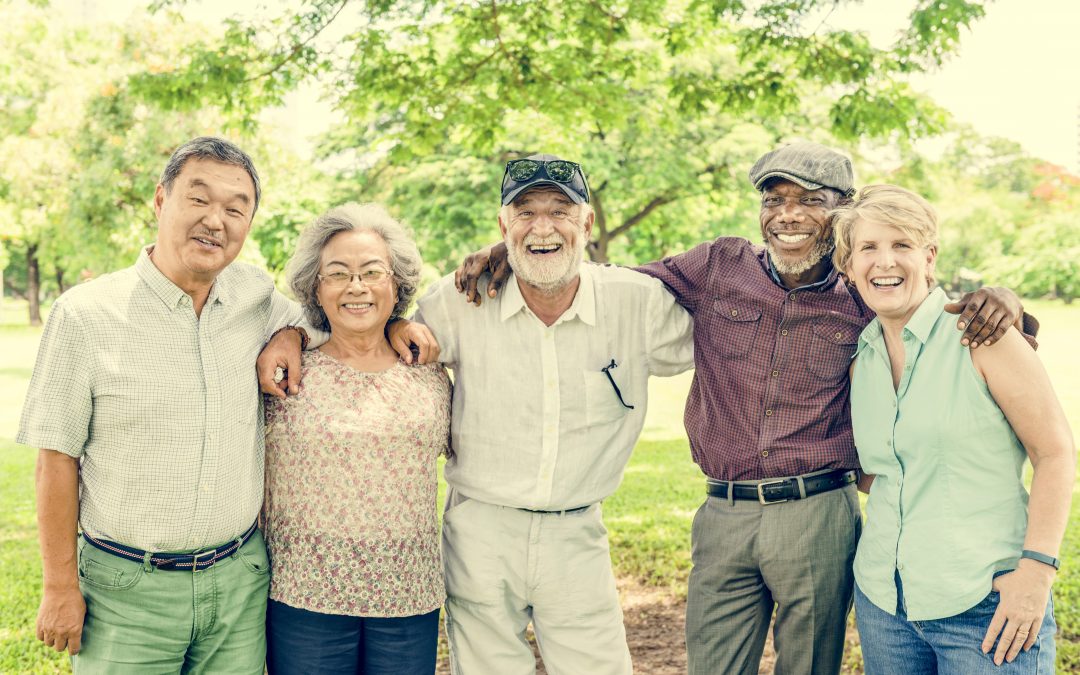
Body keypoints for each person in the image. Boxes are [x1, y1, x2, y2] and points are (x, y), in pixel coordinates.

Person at [452, 142, 1030, 674]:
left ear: (844, 211)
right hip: (723, 514)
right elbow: (600, 283)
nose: (789, 214)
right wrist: (513, 249)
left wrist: (1003, 298)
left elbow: (942, 304)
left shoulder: (864, 290)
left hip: (819, 510)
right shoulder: (717, 266)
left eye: (811, 201)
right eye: (775, 199)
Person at [258, 153, 695, 673]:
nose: (543, 227)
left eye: (560, 210)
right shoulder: (460, 301)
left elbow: (726, 335)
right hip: (480, 530)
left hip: (578, 530)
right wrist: (295, 333)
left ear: (587, 222)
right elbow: (364, 324)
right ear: (503, 225)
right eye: (525, 213)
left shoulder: (636, 302)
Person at [17, 137, 302, 673]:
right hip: (125, 592)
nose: (216, 220)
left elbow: (331, 314)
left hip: (238, 584)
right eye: (199, 199)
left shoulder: (255, 296)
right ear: (160, 200)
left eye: (236, 208)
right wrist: (59, 586)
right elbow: (56, 459)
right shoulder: (85, 314)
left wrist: (290, 334)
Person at [831, 185, 1073, 673]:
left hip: (986, 605)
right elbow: (878, 474)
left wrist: (1037, 572)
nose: (885, 262)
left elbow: (1056, 453)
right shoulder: (863, 358)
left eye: (901, 245)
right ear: (849, 265)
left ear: (929, 256)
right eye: (868, 248)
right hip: (886, 605)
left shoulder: (983, 337)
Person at [261, 203, 451, 674]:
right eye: (338, 274)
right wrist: (291, 333)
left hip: (409, 595)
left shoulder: (428, 375)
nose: (357, 286)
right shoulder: (285, 373)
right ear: (315, 289)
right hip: (304, 594)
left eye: (372, 272)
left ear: (396, 285)